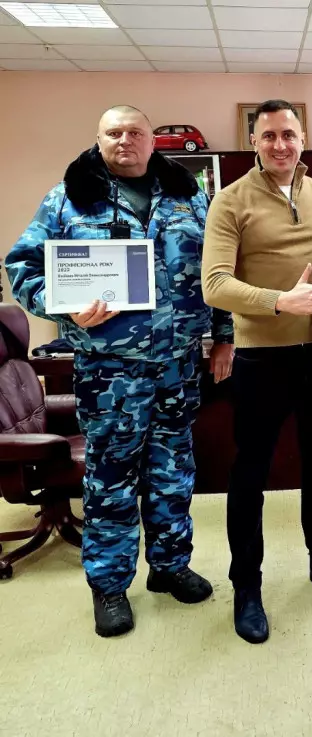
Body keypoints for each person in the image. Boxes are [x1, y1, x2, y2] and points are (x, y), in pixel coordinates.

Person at [5, 105, 234, 638]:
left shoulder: (189, 196)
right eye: (114, 132)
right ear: (99, 139)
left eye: (135, 132)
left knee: (174, 472)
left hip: (178, 364)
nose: (125, 140)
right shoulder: (69, 196)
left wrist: (223, 338)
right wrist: (61, 305)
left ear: (154, 142)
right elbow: (22, 266)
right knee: (109, 481)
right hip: (110, 371)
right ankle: (109, 586)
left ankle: (171, 566)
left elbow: (217, 271)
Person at [202, 99, 312, 645]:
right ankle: (247, 585)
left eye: (290, 135)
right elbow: (216, 285)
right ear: (255, 140)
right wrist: (282, 301)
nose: (281, 144)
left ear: (303, 139)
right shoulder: (231, 201)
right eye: (270, 135)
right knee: (250, 471)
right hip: (261, 358)